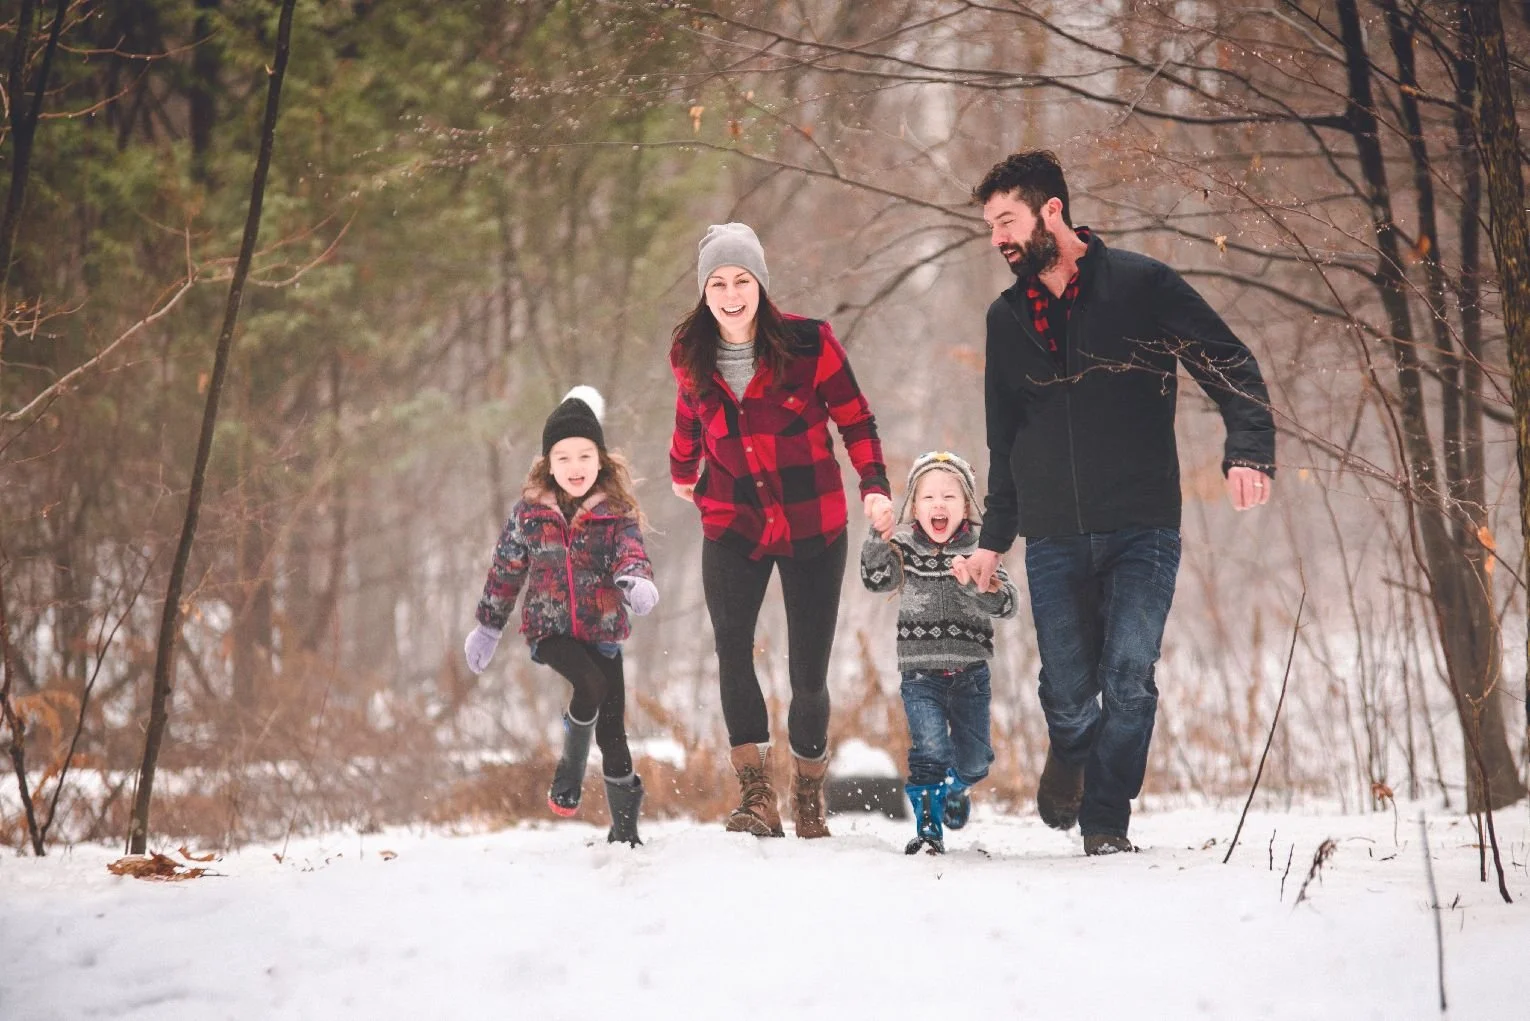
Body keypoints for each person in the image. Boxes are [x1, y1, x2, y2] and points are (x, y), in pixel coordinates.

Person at [957, 151, 1276, 856]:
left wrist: (1249, 448)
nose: (997, 238)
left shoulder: (1141, 285)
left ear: (1051, 211)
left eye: (1006, 221)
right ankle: (1071, 745)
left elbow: (1226, 360)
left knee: (1129, 677)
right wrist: (994, 537)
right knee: (1070, 692)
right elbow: (1003, 435)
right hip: (1054, 533)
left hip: (1142, 525)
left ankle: (1105, 821)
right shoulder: (1006, 318)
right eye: (990, 226)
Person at [670, 222, 895, 839]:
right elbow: (690, 414)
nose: (730, 294)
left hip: (811, 522)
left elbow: (856, 419)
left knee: (807, 673)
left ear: (761, 285)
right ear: (704, 292)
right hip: (733, 520)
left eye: (742, 280)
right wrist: (682, 470)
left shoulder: (809, 344)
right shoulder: (689, 352)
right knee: (731, 647)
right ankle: (757, 797)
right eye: (718, 283)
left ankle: (808, 794)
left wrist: (874, 484)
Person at [463, 386, 659, 846]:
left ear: (600, 460)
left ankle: (625, 835)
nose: (575, 467)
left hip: (602, 630)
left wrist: (635, 579)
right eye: (564, 457)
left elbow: (631, 552)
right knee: (590, 685)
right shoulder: (529, 514)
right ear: (548, 464)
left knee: (613, 733)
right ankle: (570, 769)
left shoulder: (616, 513)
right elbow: (506, 570)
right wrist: (488, 626)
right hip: (549, 628)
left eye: (585, 456)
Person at [860, 451, 1018, 855]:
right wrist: (877, 537)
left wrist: (976, 585)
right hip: (920, 675)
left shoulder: (981, 549)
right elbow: (876, 580)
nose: (939, 505)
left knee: (976, 761)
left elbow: (1008, 605)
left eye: (950, 497)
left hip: (971, 675)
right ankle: (929, 829)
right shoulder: (905, 546)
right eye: (928, 497)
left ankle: (956, 789)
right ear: (914, 506)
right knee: (930, 750)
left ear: (967, 505)